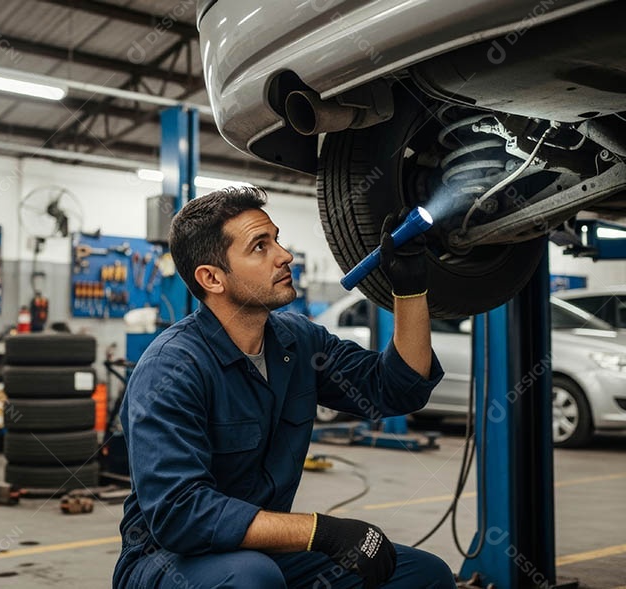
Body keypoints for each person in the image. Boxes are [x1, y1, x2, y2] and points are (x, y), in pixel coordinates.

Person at [113, 187, 455, 588]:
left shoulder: (299, 341)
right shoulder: (171, 368)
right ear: (212, 278)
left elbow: (396, 389)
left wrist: (409, 288)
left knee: (423, 575)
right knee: (250, 578)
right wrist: (320, 531)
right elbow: (181, 514)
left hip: (262, 555)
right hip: (169, 562)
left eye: (276, 239)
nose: (284, 255)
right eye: (260, 246)